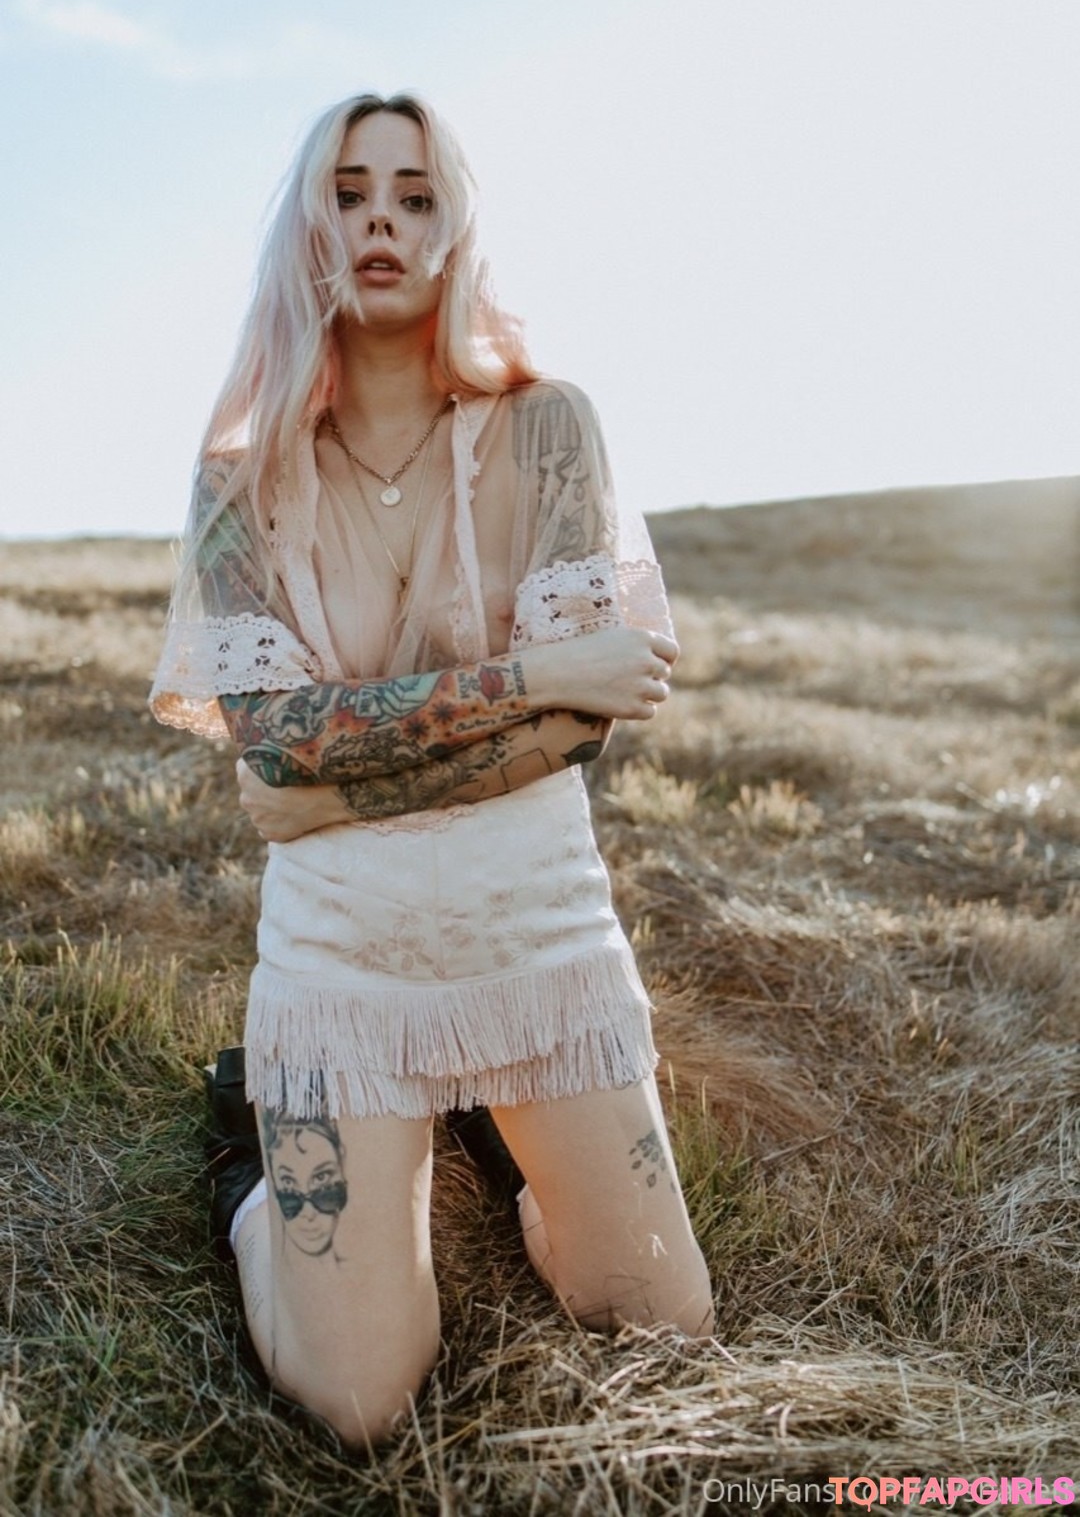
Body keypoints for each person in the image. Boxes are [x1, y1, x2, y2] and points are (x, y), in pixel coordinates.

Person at [151, 90, 714, 1450]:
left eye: (414, 196)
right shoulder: (236, 486)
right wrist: (522, 682)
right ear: (307, 231)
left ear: (455, 230)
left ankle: (498, 1138)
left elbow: (591, 723)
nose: (382, 223)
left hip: (540, 938)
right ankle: (249, 1162)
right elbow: (278, 741)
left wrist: (326, 781)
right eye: (349, 195)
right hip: (342, 966)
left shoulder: (552, 428)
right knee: (356, 1403)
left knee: (660, 1325)